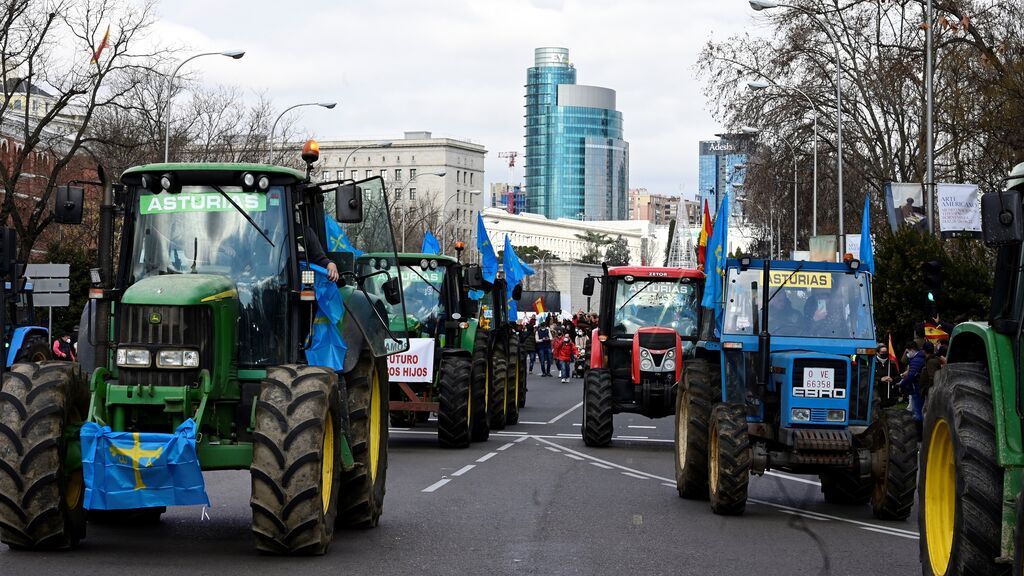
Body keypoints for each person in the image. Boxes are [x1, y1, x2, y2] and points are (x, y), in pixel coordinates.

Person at [892, 340, 925, 432]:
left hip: (917, 389)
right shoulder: (918, 358)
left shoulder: (917, 359)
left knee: (918, 413)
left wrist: (901, 384)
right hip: (918, 388)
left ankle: (918, 435)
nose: (907, 354)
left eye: (907, 352)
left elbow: (911, 375)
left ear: (912, 350)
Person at [874, 342, 897, 407]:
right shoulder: (873, 363)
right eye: (882, 352)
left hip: (889, 394)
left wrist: (892, 379)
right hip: (877, 393)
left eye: (886, 352)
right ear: (877, 353)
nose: (884, 354)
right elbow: (870, 377)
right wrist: (880, 379)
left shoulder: (891, 363)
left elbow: (897, 376)